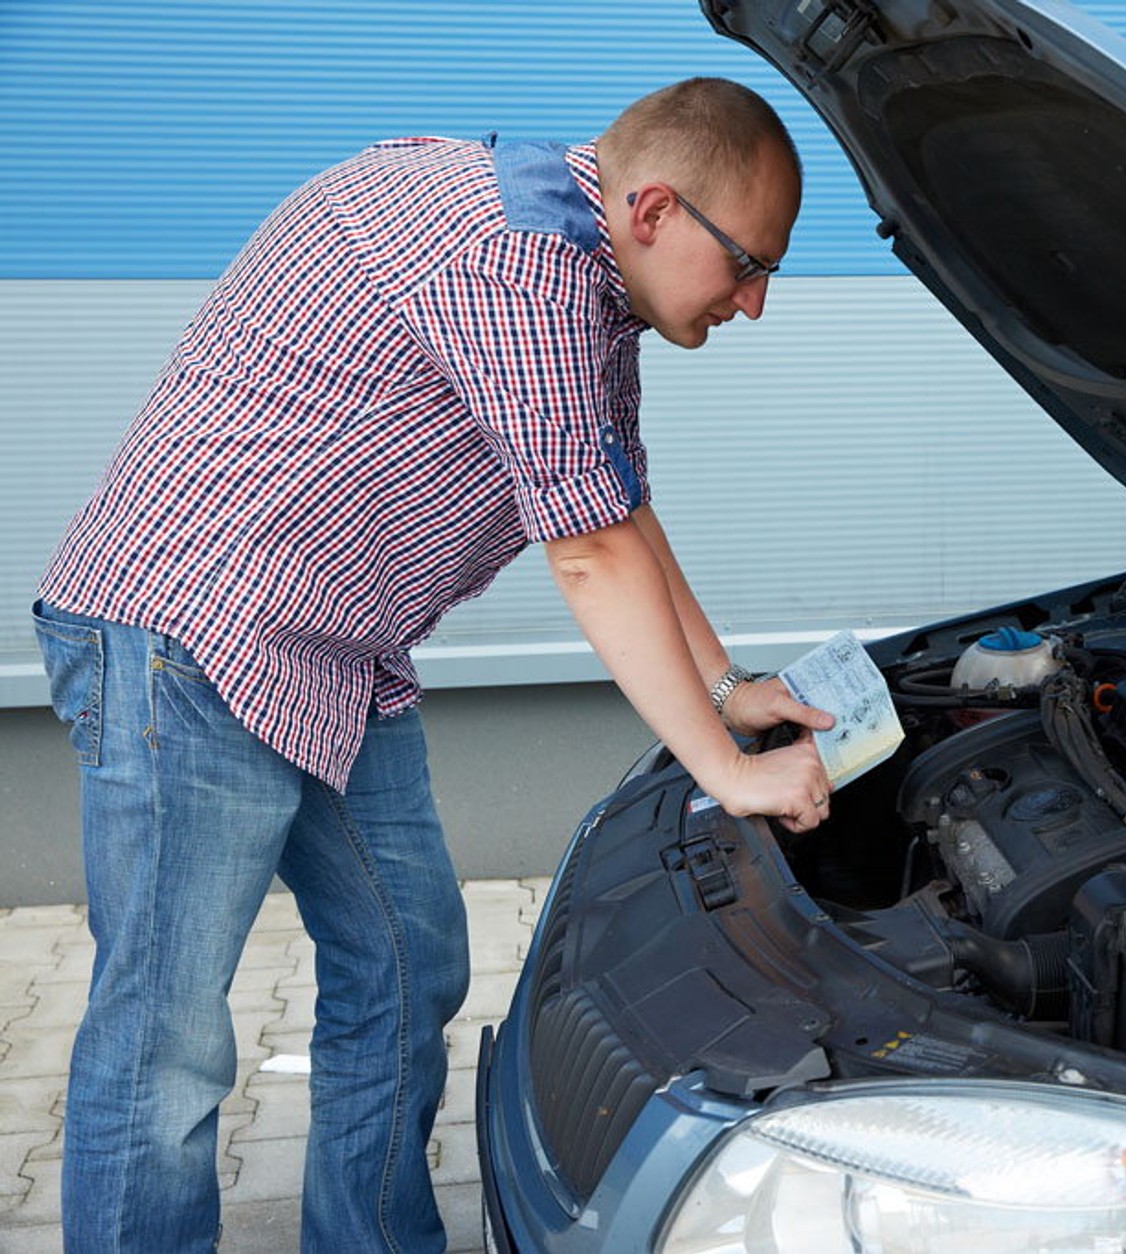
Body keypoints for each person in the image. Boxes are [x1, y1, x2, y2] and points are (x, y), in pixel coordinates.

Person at [31, 77, 834, 1251]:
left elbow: (618, 503)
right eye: (747, 263)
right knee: (166, 1046)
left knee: (409, 964)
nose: (754, 304)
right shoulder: (520, 265)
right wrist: (724, 768)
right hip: (187, 645)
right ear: (655, 210)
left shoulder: (586, 270)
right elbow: (590, 558)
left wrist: (723, 688)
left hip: (329, 653)